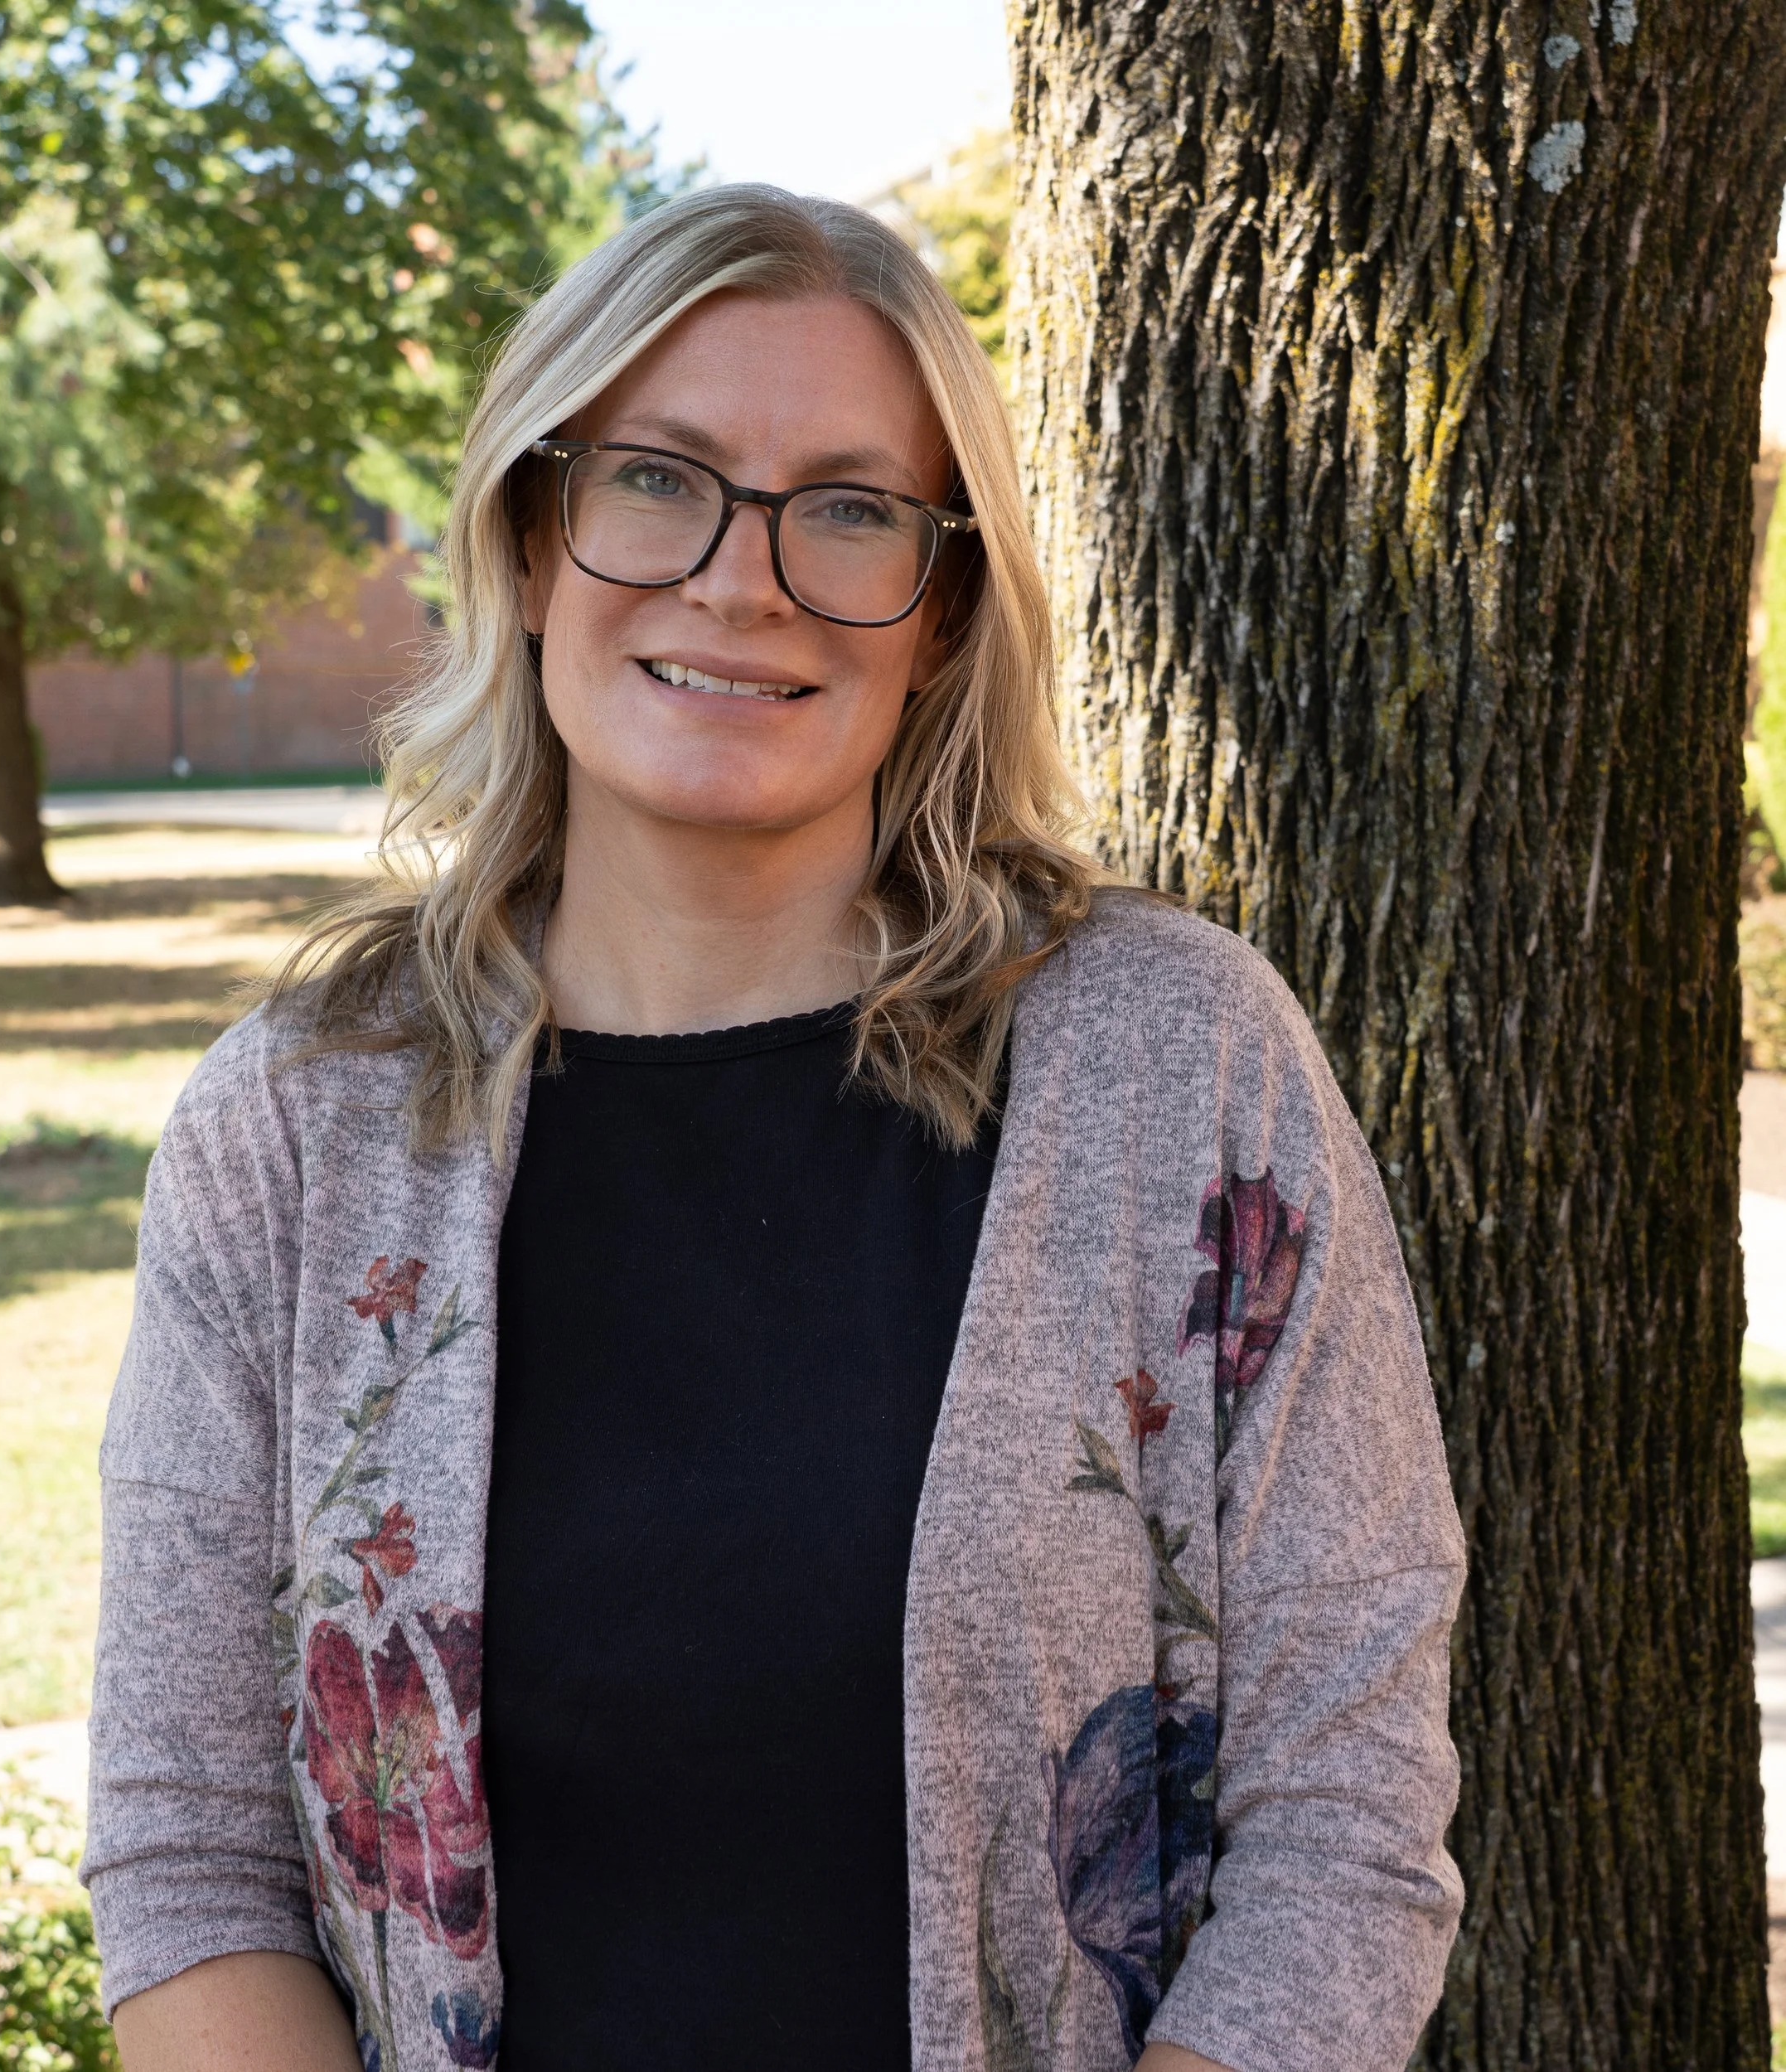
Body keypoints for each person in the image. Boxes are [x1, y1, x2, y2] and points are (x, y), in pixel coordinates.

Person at [81, 186, 1466, 2072]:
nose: (742, 580)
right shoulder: (295, 1128)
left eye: (850, 507)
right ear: (530, 539)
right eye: (657, 479)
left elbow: (1343, 1832)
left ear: (944, 606)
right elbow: (190, 1860)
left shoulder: (1180, 1063)